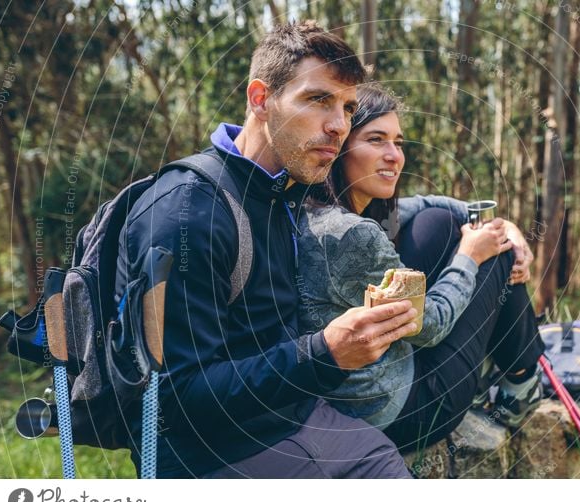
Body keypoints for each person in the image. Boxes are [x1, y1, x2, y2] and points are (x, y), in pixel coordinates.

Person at [115, 22, 418, 478]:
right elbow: (175, 398)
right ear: (260, 99)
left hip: (285, 417)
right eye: (318, 100)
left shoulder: (277, 190)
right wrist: (326, 352)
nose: (338, 125)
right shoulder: (188, 212)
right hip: (214, 455)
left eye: (348, 108)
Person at [297, 84, 545, 452]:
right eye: (376, 140)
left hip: (364, 389)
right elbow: (432, 325)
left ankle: (518, 369)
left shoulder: (319, 209)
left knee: (437, 221)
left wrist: (504, 224)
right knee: (493, 253)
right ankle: (522, 382)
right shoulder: (352, 236)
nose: (393, 155)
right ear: (341, 147)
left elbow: (421, 203)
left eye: (398, 143)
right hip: (406, 413)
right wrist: (470, 256)